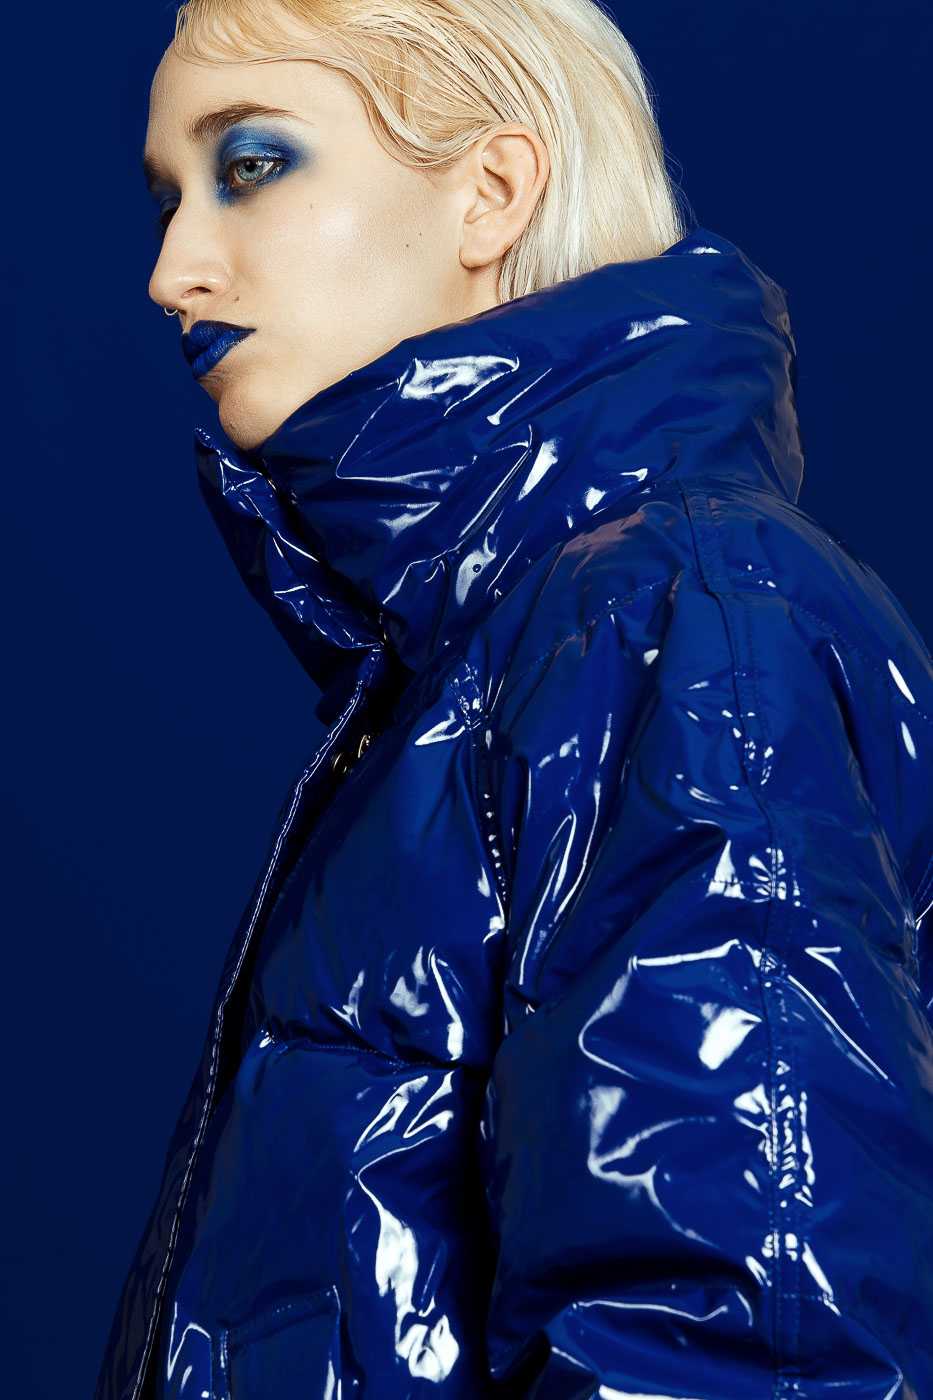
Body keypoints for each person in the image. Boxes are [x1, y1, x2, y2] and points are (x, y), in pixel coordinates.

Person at [96, 0, 933, 1395]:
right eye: (168, 197)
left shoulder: (671, 615)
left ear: (490, 189)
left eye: (250, 163)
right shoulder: (482, 660)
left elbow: (746, 1343)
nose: (172, 270)